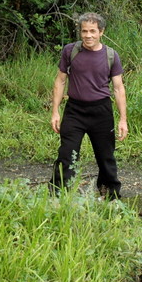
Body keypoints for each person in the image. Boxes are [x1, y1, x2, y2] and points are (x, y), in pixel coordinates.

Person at [50, 12, 128, 200]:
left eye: (93, 31)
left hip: (101, 111)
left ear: (101, 32)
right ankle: (58, 196)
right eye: (84, 31)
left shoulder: (110, 55)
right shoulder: (71, 51)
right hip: (75, 110)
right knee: (66, 154)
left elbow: (118, 88)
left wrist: (123, 119)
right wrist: (55, 111)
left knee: (105, 157)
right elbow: (60, 81)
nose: (88, 35)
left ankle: (110, 197)